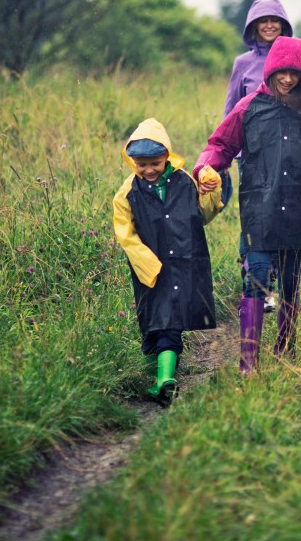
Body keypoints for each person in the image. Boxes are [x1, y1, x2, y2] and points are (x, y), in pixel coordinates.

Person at [195, 36, 301, 374]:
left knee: (290, 284)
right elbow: (219, 146)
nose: (288, 79)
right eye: (282, 72)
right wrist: (206, 168)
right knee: (255, 278)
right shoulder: (248, 107)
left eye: (295, 74)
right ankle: (248, 362)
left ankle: (285, 352)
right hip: (259, 208)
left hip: (298, 208)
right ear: (271, 70)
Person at [113, 118, 223, 406]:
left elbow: (203, 215)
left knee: (170, 322)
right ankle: (159, 371)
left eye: (155, 163)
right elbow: (125, 233)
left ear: (167, 158)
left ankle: (164, 380)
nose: (148, 170)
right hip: (151, 268)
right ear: (132, 161)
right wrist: (146, 262)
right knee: (154, 322)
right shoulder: (127, 193)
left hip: (185, 262)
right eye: (141, 164)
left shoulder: (186, 182)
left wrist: (211, 190)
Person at [221, 0, 301, 314]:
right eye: (262, 22)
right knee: (256, 219)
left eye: (274, 21)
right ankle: (255, 282)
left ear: (283, 25)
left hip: (289, 158)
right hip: (253, 155)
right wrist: (229, 154)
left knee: (285, 220)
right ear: (252, 26)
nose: (268, 26)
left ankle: (272, 285)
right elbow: (232, 110)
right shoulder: (242, 63)